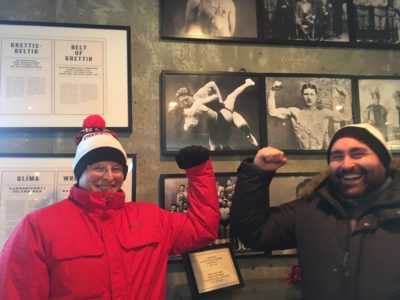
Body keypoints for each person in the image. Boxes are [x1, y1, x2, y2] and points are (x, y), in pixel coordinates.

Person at [0, 114, 219, 300]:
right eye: (98, 167)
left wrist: (199, 172)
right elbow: (17, 292)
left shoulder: (151, 217)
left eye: (116, 168)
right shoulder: (38, 226)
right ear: (79, 173)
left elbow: (202, 228)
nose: (109, 176)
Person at [231, 123, 400, 300]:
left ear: (383, 161)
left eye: (358, 154)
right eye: (337, 156)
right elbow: (254, 231)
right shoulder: (310, 209)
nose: (346, 164)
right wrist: (257, 173)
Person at [175, 79, 259, 150]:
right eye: (182, 102)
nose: (185, 102)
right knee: (217, 148)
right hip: (214, 125)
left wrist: (220, 99)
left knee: (242, 125)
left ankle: (247, 83)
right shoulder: (187, 110)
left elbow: (212, 83)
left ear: (190, 95)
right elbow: (188, 124)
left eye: (186, 99)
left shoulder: (199, 95)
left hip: (224, 111)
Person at [267, 80, 352, 150]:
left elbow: (347, 117)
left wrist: (346, 96)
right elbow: (272, 112)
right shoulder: (295, 113)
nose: (309, 97)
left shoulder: (324, 113)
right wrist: (272, 91)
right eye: (306, 94)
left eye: (311, 94)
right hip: (300, 157)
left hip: (319, 156)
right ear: (302, 96)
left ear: (316, 96)